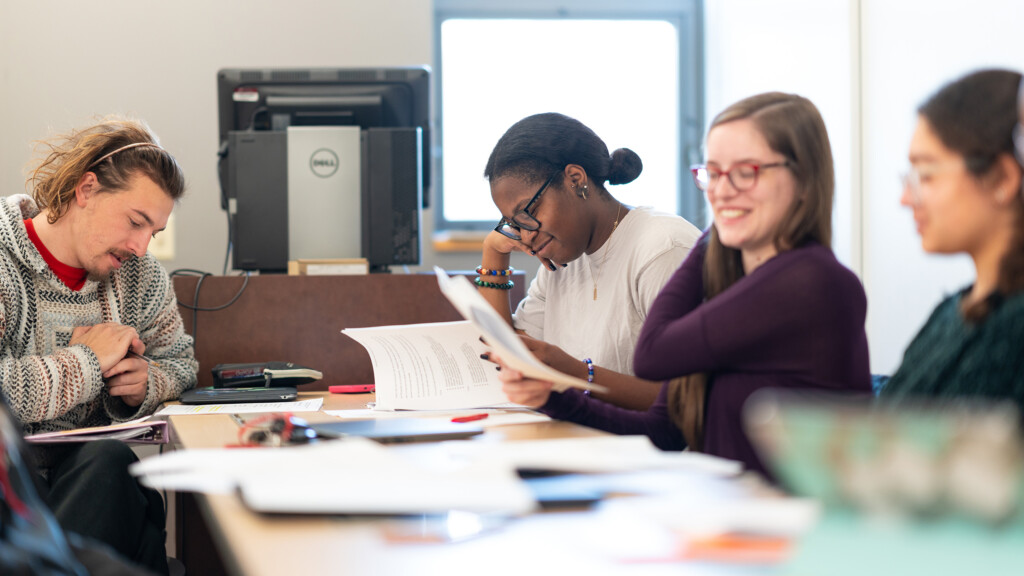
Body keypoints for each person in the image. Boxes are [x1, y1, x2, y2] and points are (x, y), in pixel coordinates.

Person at [499, 94, 871, 477]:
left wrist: (712, 238)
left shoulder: (811, 282)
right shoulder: (744, 274)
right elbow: (666, 429)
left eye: (745, 172)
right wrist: (554, 398)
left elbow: (653, 355)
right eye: (713, 173)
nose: (720, 192)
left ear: (803, 181)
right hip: (732, 507)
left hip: (789, 520)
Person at [0, 117, 198, 575]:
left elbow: (182, 364)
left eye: (154, 232)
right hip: (11, 487)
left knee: (113, 467)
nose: (142, 247)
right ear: (85, 190)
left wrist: (147, 382)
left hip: (88, 478)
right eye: (136, 221)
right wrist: (88, 362)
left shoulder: (140, 279)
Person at [479, 112, 701, 412]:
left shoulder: (663, 248)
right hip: (587, 439)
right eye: (513, 223)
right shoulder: (561, 260)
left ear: (575, 179)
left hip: (648, 450)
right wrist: (494, 253)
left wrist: (575, 373)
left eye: (527, 213)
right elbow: (511, 354)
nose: (526, 236)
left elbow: (692, 398)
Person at [880, 69, 1024, 414]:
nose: (905, 198)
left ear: (1002, 178)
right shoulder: (950, 314)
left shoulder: (1015, 325)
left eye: (926, 174)